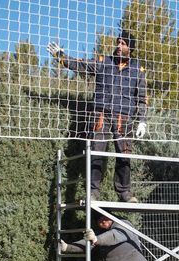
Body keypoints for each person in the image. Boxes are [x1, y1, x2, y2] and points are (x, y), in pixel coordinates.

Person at [47, 31, 147, 202]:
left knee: (124, 155)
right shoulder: (103, 62)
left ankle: (124, 193)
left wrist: (142, 121)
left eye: (123, 43)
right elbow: (80, 65)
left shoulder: (138, 69)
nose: (118, 46)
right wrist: (60, 56)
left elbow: (142, 98)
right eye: (118, 42)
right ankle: (93, 192)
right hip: (100, 114)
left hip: (124, 117)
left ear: (130, 48)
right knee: (97, 152)